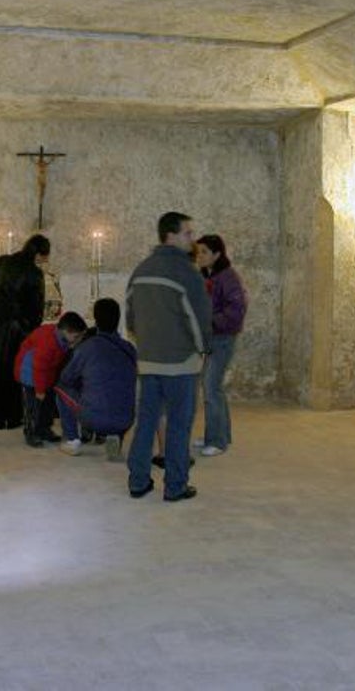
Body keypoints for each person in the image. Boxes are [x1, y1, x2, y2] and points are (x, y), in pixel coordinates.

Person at [124, 212, 212, 502]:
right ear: (170, 236)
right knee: (178, 425)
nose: (193, 239)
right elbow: (198, 318)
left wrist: (148, 345)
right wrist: (203, 351)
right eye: (188, 233)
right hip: (181, 364)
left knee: (146, 422)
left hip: (148, 361)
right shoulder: (187, 273)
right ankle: (175, 486)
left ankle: (138, 482)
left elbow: (132, 320)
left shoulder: (141, 270)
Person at [0, 234, 50, 430]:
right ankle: (13, 418)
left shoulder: (1, 261)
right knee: (14, 374)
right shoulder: (34, 273)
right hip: (16, 329)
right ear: (39, 254)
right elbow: (35, 307)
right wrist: (31, 329)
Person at [54, 298, 137, 461]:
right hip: (126, 419)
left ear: (96, 320)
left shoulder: (88, 347)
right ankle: (115, 437)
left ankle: (72, 439)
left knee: (60, 387)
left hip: (94, 418)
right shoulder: (129, 348)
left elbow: (66, 378)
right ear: (119, 319)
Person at [195, 234, 248, 457]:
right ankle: (220, 435)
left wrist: (210, 319)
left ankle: (216, 441)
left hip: (223, 338)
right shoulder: (209, 275)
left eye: (204, 252)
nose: (199, 256)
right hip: (212, 338)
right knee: (213, 387)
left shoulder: (228, 277)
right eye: (198, 252)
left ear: (217, 254)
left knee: (210, 387)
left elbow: (237, 310)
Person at [13, 311, 87, 447]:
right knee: (33, 406)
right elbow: (40, 367)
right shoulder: (48, 342)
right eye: (76, 337)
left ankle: (44, 429)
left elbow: (52, 364)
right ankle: (31, 432)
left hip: (45, 375)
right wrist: (40, 390)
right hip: (30, 375)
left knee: (47, 405)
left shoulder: (63, 338)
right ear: (66, 331)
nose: (78, 341)